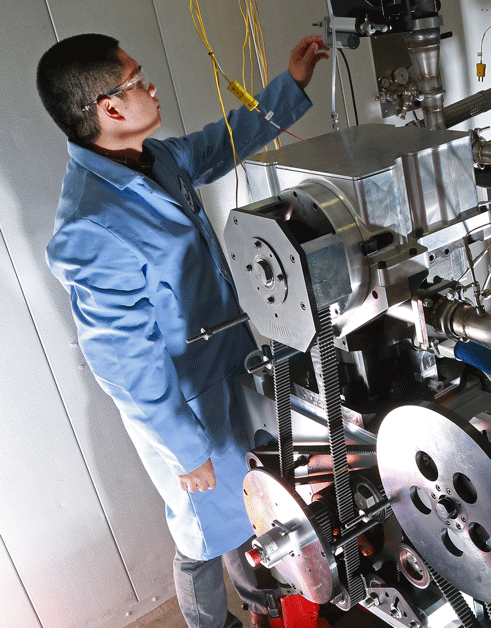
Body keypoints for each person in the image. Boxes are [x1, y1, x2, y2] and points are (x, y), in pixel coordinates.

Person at [37, 32, 328, 628]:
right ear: (109, 110)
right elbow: (123, 360)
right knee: (202, 531)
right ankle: (206, 622)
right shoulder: (89, 225)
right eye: (137, 80)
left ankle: (268, 602)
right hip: (185, 402)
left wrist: (291, 85)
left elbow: (222, 143)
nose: (150, 87)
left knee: (261, 492)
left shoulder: (156, 158)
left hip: (234, 361)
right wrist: (184, 448)